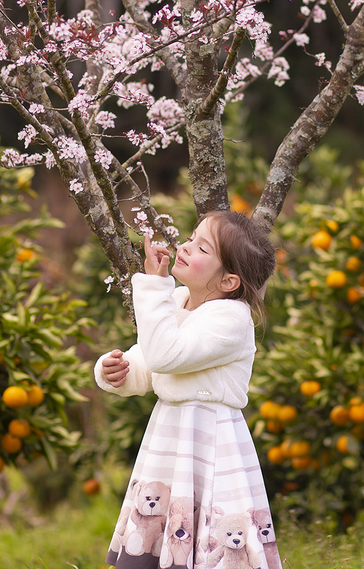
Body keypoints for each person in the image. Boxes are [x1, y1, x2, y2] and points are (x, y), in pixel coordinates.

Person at [95, 211, 282, 569]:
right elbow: (151, 364)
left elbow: (166, 354)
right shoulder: (179, 301)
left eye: (201, 248)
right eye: (191, 237)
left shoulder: (232, 319)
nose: (185, 246)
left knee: (211, 537)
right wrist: (117, 370)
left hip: (210, 441)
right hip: (171, 436)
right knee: (161, 528)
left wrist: (153, 285)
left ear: (228, 281)